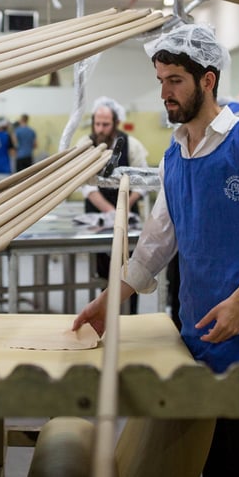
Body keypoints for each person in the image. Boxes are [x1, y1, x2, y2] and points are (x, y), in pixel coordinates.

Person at [73, 23, 239, 477]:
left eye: (175, 80)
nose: (164, 92)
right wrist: (111, 297)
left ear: (208, 80)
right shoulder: (177, 154)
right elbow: (157, 242)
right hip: (199, 321)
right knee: (212, 453)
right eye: (160, 80)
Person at [81, 96, 148, 314]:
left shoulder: (132, 145)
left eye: (105, 124)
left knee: (130, 269)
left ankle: (130, 316)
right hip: (97, 217)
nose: (100, 129)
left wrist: (123, 209)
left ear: (115, 123)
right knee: (103, 272)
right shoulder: (85, 144)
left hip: (127, 215)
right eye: (97, 124)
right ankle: (102, 313)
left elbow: (143, 183)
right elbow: (87, 187)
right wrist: (111, 213)